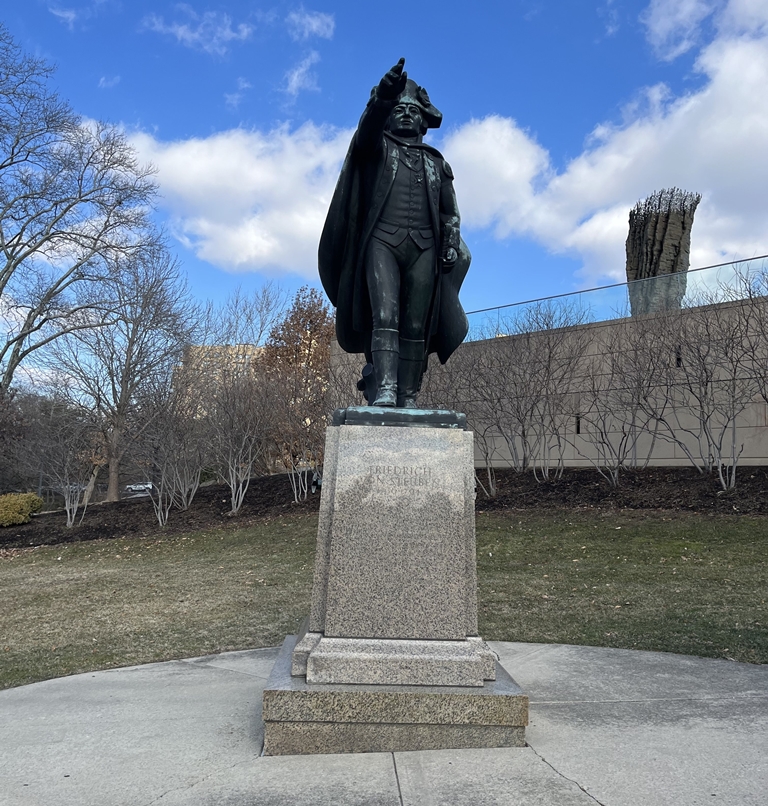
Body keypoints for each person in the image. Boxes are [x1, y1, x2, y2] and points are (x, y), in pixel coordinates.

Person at [319, 58, 471, 408]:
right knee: (384, 317)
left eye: (412, 111)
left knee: (416, 324)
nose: (405, 115)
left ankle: (409, 394)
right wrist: (381, 100)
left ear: (423, 120)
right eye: (399, 109)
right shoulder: (376, 150)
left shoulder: (436, 162)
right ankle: (385, 388)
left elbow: (451, 213)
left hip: (424, 248)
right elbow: (366, 133)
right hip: (382, 243)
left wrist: (449, 242)